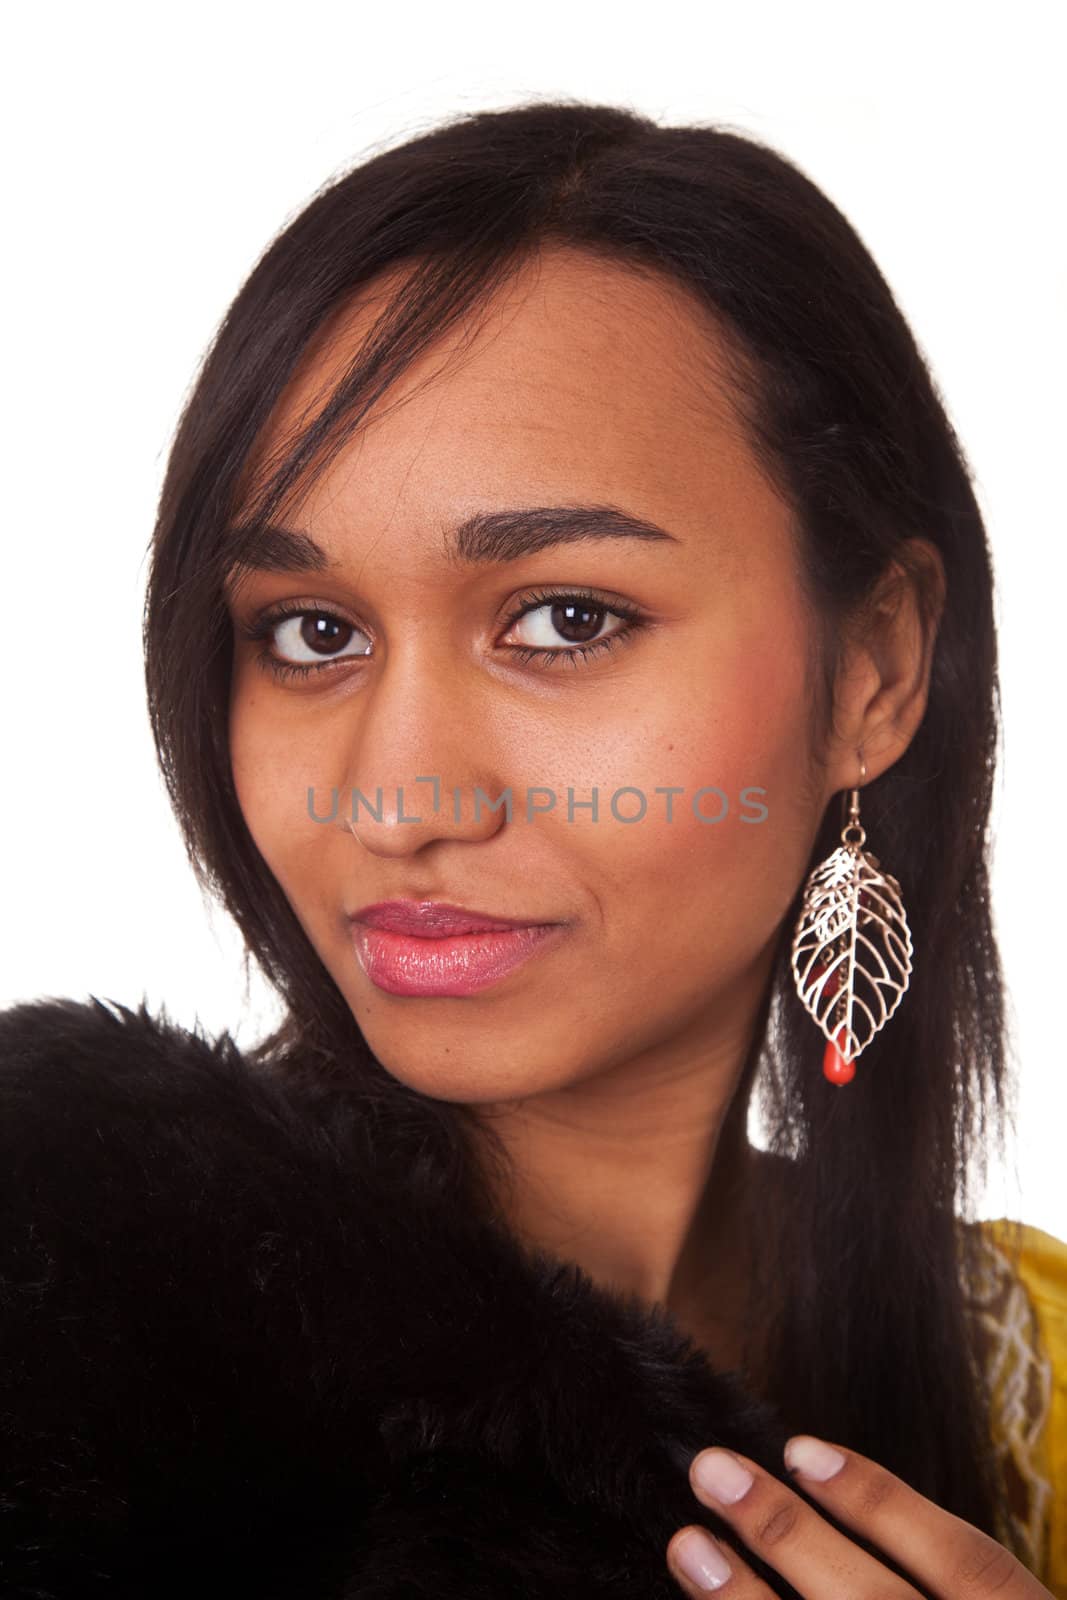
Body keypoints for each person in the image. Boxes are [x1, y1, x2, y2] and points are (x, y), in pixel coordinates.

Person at [1, 98, 1064, 1598]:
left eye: (566, 620)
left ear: (877, 670)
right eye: (311, 633)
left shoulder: (1035, 1384)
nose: (400, 798)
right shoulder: (58, 1295)